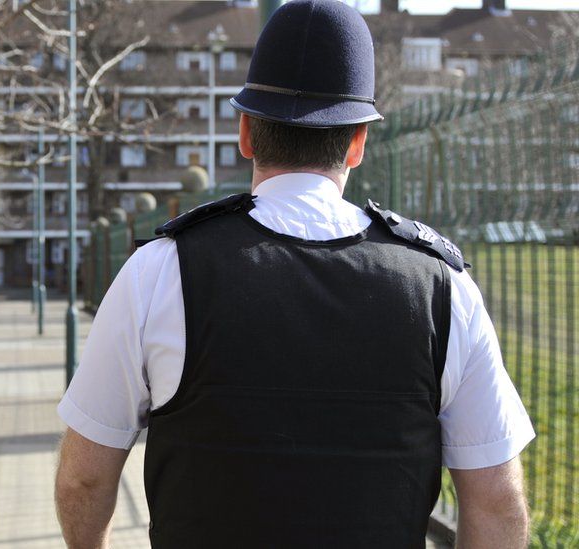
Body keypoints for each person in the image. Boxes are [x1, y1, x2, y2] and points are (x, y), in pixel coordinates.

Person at [54, 1, 535, 548]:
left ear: (246, 134)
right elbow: (496, 501)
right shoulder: (443, 290)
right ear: (357, 143)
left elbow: (85, 477)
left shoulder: (160, 272)